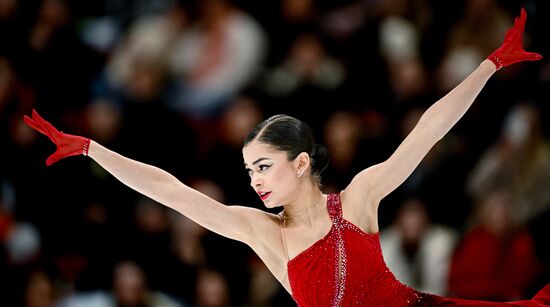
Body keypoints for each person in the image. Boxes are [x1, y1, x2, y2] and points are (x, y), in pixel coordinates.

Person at [23, 8, 549, 307]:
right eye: (249, 170)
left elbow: (428, 128)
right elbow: (170, 191)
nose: (254, 180)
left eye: (263, 166)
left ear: (300, 163)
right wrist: (92, 147)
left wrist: (490, 63)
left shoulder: (360, 198)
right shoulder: (265, 234)